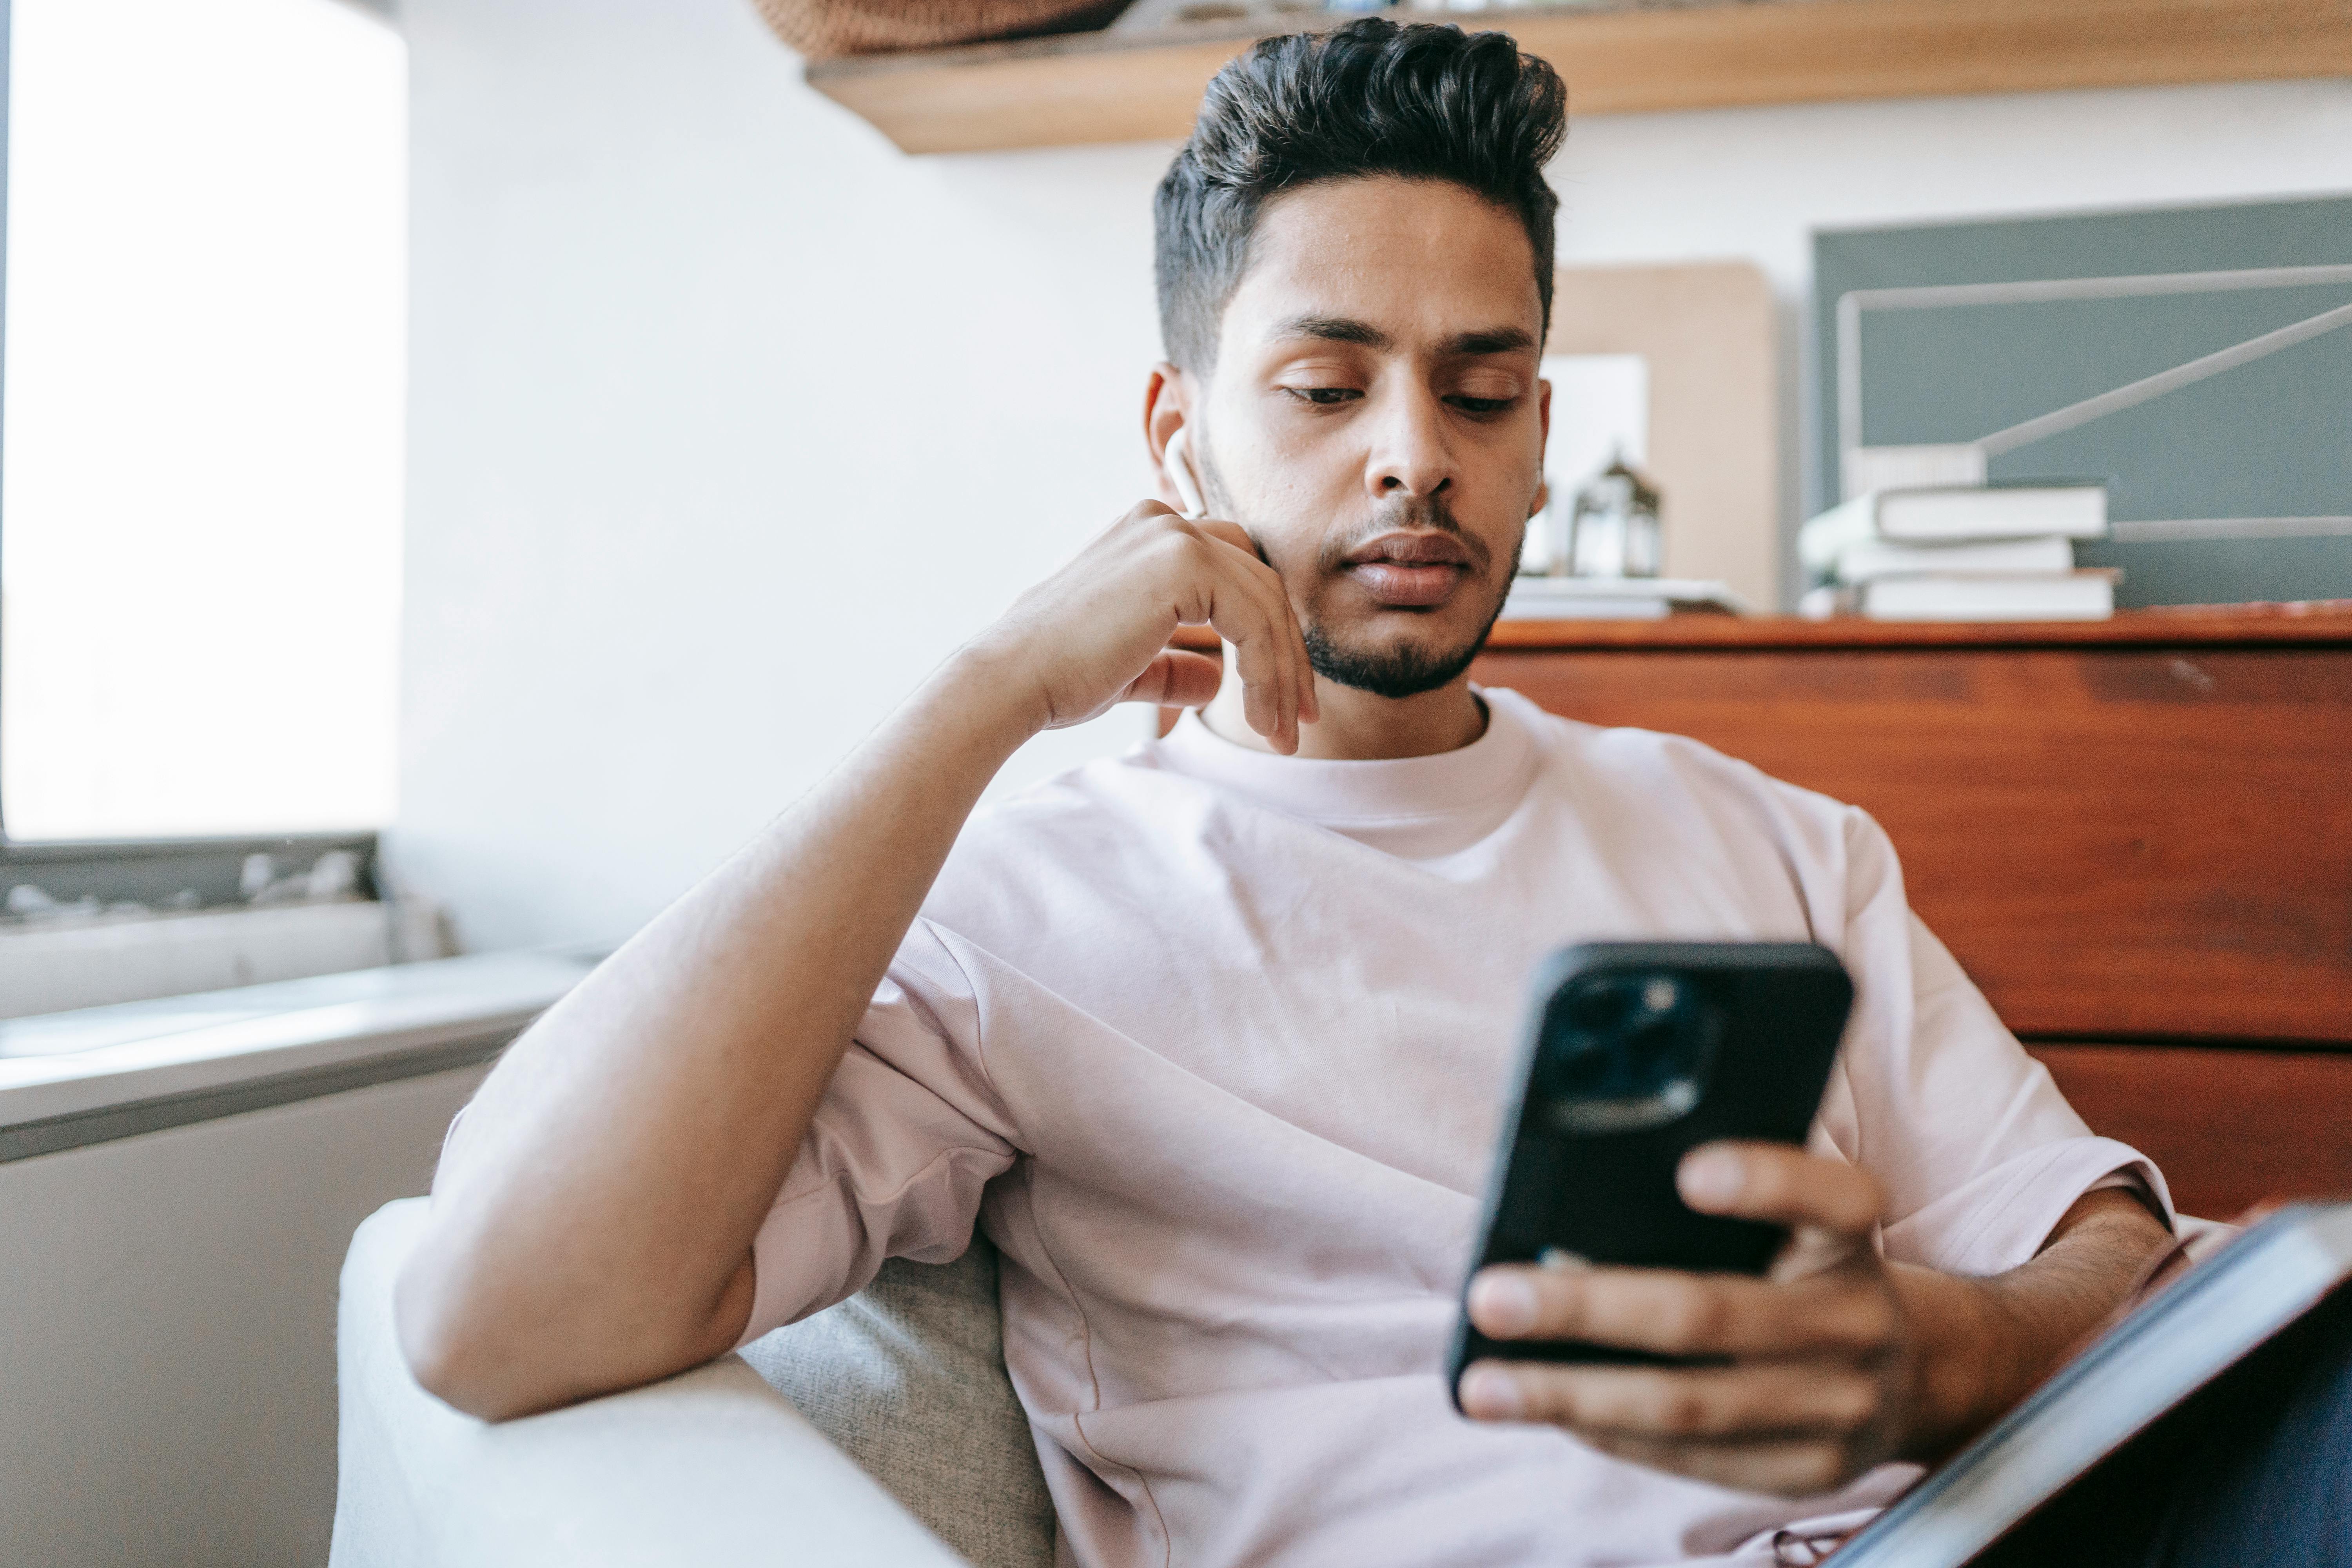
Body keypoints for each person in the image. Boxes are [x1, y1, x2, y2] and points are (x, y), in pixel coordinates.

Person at [394, 20, 2188, 1566]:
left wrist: (1934, 1352)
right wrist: (989, 689)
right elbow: (489, 1312)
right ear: (1179, 439)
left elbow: (2116, 1254)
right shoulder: (1025, 908)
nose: (1416, 451)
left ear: (1544, 443)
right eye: (1328, 387)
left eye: (1482, 392)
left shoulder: (1776, 841)